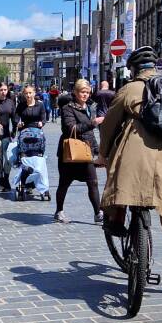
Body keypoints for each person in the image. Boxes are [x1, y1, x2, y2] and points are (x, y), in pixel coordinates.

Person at [99, 45, 162, 296]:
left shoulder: (130, 89)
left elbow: (108, 127)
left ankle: (116, 220)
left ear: (134, 69)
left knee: (118, 180)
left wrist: (103, 155)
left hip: (137, 158)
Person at [54, 79, 105, 224]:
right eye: (83, 92)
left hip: (85, 151)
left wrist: (97, 151)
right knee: (64, 183)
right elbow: (71, 129)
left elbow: (89, 134)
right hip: (70, 152)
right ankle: (59, 211)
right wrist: (93, 123)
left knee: (93, 182)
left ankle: (97, 213)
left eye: (88, 92)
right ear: (75, 92)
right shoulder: (67, 108)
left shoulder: (89, 108)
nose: (85, 95)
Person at [0, 82, 17, 191]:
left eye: (5, 90)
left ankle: (6, 178)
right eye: (1, 90)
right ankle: (0, 181)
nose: (3, 92)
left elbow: (14, 117)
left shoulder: (10, 102)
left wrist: (15, 128)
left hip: (6, 135)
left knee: (8, 158)